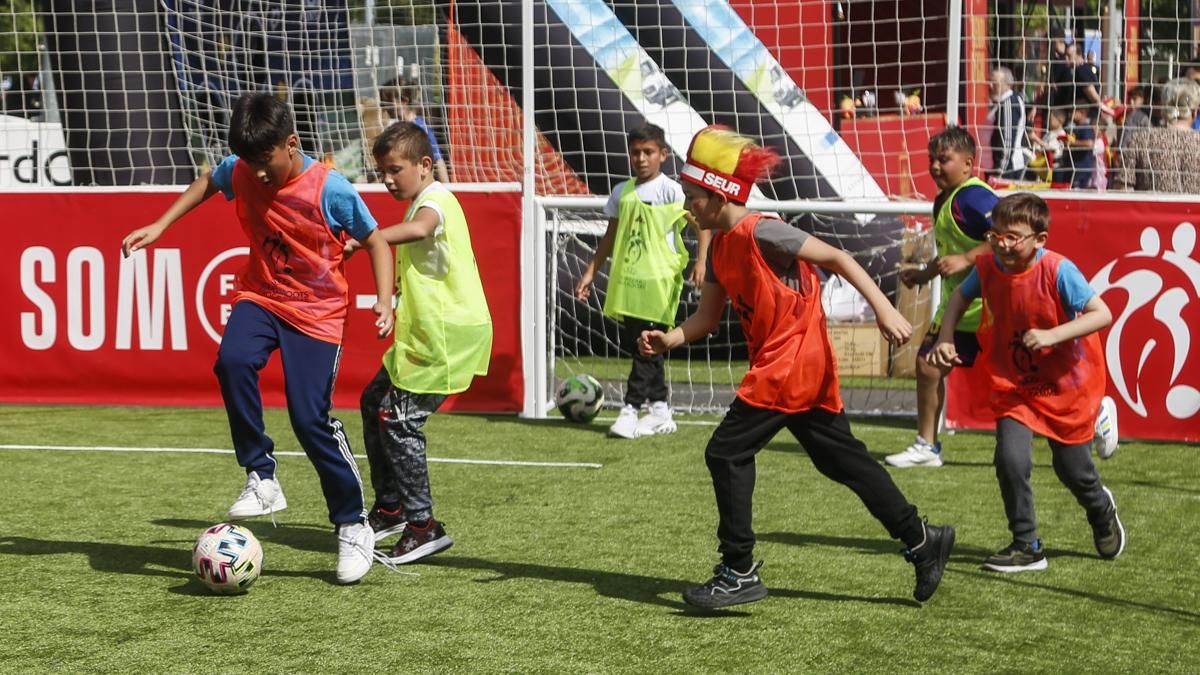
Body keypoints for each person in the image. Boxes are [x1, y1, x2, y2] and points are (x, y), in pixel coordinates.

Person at [639, 126, 954, 608]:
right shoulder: (721, 247)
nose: (688, 206)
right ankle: (922, 539)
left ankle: (739, 569)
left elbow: (838, 256)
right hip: (796, 368)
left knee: (724, 452)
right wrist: (671, 338)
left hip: (791, 363)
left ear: (720, 194)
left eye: (693, 197)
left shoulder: (761, 230)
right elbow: (707, 317)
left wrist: (886, 309)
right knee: (842, 461)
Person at [120, 93, 396, 584]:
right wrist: (161, 224)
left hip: (317, 315)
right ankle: (262, 476)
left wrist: (383, 298)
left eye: (264, 160)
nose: (257, 172)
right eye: (249, 162)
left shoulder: (330, 190)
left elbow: (374, 239)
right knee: (231, 361)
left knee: (309, 420)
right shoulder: (243, 168)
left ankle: (353, 525)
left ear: (290, 144)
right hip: (263, 297)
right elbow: (212, 178)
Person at [928, 193, 1125, 572]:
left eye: (1013, 236)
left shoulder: (1058, 270)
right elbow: (957, 301)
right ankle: (1027, 544)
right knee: (1010, 459)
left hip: (1066, 384)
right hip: (1014, 384)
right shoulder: (986, 268)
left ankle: (1101, 509)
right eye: (996, 235)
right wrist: (945, 337)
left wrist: (1053, 336)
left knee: (1073, 471)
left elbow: (1102, 313)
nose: (1002, 244)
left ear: (1040, 239)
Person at [352, 121, 493, 564]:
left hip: (448, 337)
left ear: (425, 165)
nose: (388, 180)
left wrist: (367, 239)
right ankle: (392, 507)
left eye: (395, 170)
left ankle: (422, 526)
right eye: (382, 173)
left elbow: (421, 231)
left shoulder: (436, 200)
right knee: (374, 399)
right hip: (426, 335)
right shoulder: (417, 205)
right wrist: (390, 303)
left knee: (397, 419)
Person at [575, 124, 710, 439]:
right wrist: (591, 271)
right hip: (629, 281)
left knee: (646, 346)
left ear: (662, 154)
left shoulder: (672, 190)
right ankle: (661, 410)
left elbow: (701, 224)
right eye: (635, 152)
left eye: (648, 152)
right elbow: (610, 238)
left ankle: (631, 409)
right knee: (642, 344)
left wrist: (702, 260)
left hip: (660, 279)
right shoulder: (622, 191)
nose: (641, 158)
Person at [886, 127, 996, 468]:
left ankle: (1092, 414)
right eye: (932, 159)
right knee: (928, 366)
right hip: (960, 307)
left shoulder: (976, 198)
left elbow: (1010, 238)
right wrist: (926, 274)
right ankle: (927, 447)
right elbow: (952, 252)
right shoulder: (945, 199)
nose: (935, 166)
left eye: (943, 159)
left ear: (967, 164)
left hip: (992, 308)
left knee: (1031, 374)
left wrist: (966, 260)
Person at [1112, 78, 1200, 194]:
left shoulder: (1139, 140)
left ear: (1163, 107)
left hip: (1150, 211)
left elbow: (1122, 190)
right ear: (1194, 112)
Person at [379, 79, 450, 183]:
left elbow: (438, 160)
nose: (384, 107)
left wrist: (447, 188)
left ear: (404, 101)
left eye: (388, 101)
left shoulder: (419, 128)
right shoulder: (397, 127)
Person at [986, 67, 1027, 180]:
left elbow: (1007, 141)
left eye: (995, 83)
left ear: (1008, 85)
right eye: (989, 81)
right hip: (996, 167)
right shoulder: (1001, 103)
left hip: (1006, 170)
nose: (990, 86)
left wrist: (1000, 172)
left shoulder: (1009, 104)